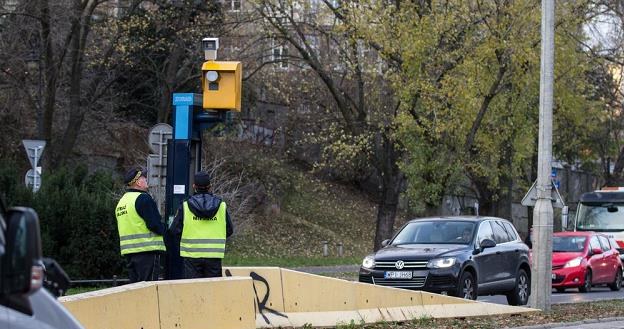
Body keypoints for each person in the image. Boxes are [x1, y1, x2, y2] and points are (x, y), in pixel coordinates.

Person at [169, 171, 234, 278]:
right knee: (212, 290)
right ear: (210, 186)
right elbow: (229, 230)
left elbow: (174, 230)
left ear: (194, 186)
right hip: (214, 256)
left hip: (191, 256)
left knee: (193, 290)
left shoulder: (185, 205)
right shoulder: (221, 205)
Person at [115, 166, 166, 283]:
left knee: (136, 290)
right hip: (147, 252)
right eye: (144, 177)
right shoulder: (143, 199)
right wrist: (165, 230)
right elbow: (154, 224)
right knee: (149, 289)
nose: (146, 179)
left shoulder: (122, 201)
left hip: (130, 253)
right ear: (138, 182)